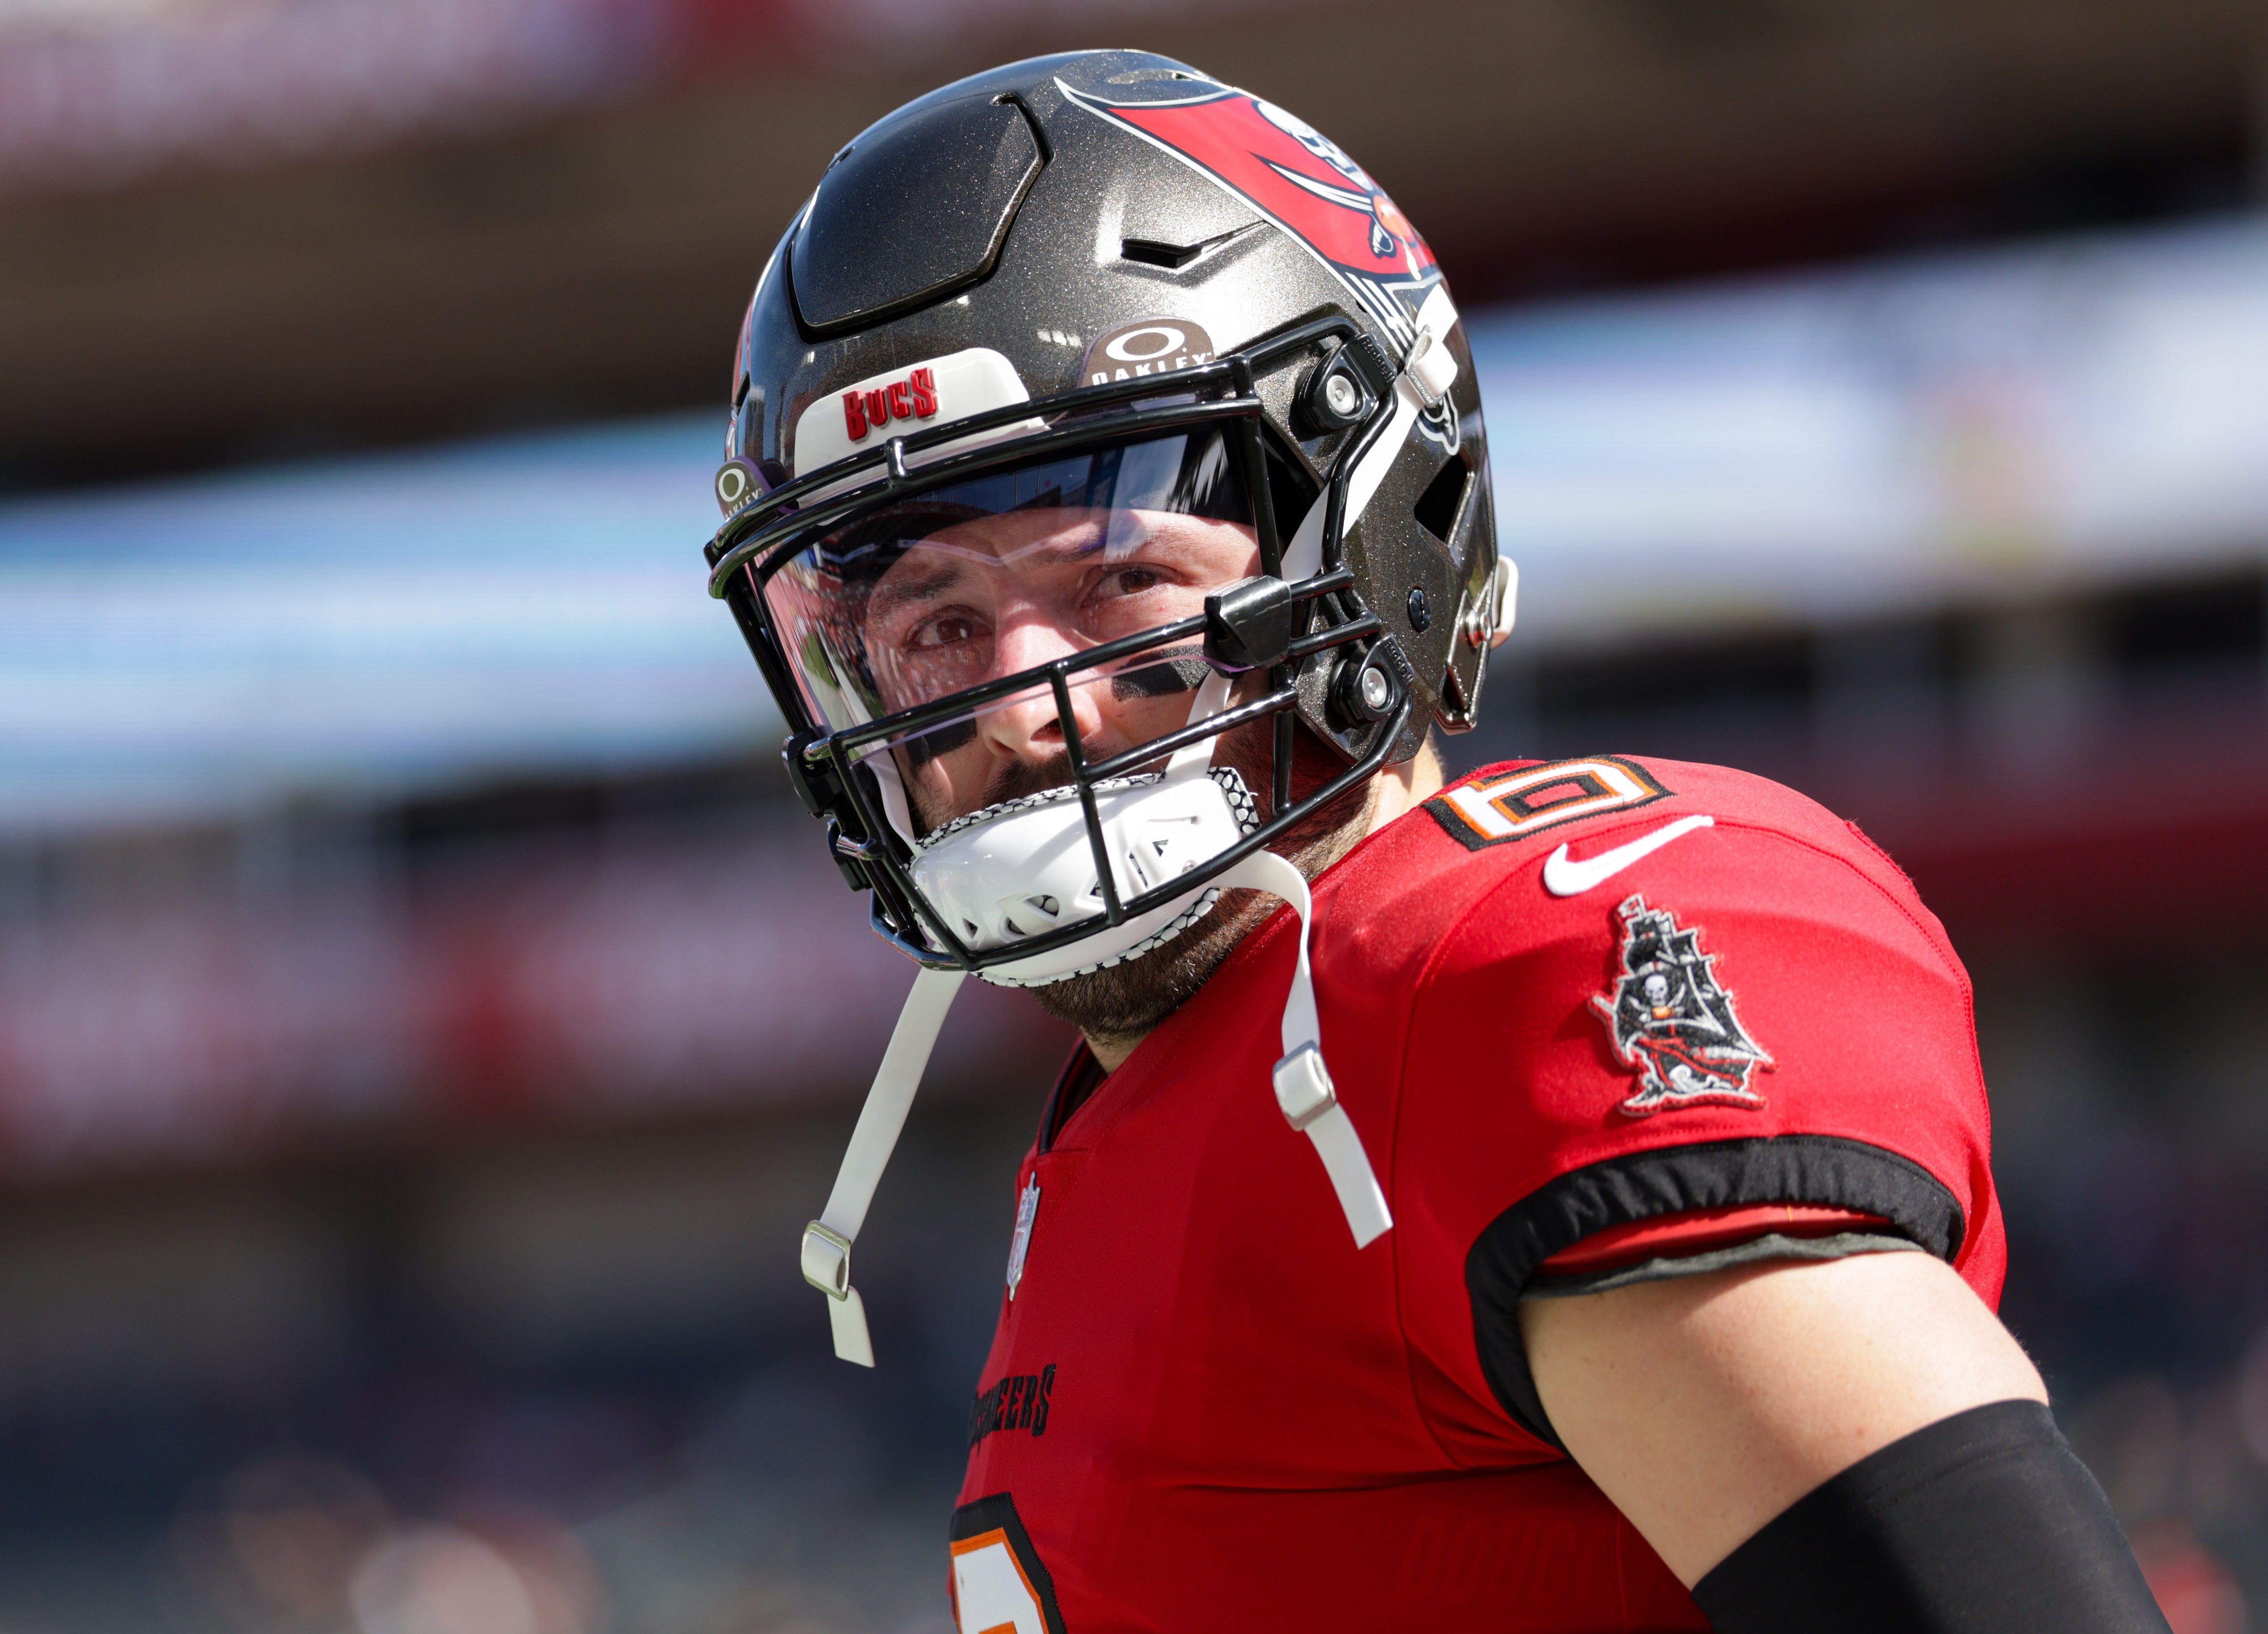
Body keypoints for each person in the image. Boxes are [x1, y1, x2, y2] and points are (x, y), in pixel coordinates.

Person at [702, 48, 2169, 1633]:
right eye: (935, 622)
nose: (1021, 700)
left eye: (1122, 580)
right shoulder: (1158, 1097)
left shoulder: (1487, 980)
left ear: (1384, 520)